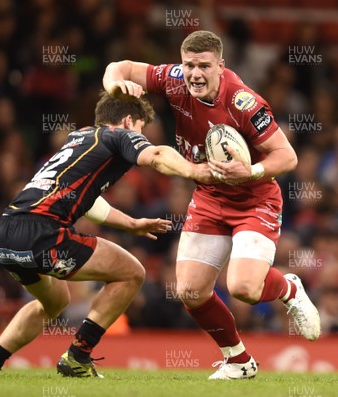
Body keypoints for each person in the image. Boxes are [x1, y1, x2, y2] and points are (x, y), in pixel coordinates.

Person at [103, 30, 321, 380]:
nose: (195, 74)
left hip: (255, 199)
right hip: (208, 196)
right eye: (189, 65)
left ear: (221, 66)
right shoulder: (174, 80)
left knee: (243, 289)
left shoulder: (244, 102)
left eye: (204, 66)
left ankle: (289, 287)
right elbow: (121, 66)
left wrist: (250, 169)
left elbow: (288, 156)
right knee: (189, 291)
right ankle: (238, 360)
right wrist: (116, 84)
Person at [0, 91, 214, 377]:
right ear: (129, 121)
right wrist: (196, 171)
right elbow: (156, 155)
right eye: (142, 130)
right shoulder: (119, 135)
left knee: (55, 301)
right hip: (41, 234)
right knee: (132, 273)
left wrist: (131, 224)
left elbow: (88, 200)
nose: (142, 137)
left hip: (6, 235)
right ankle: (78, 355)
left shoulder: (80, 138)